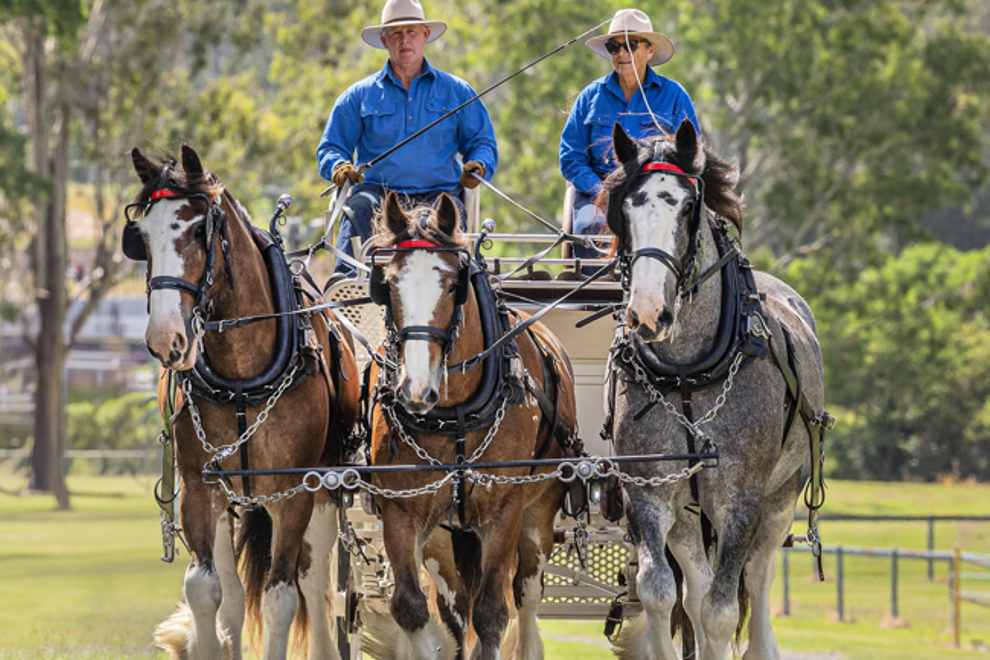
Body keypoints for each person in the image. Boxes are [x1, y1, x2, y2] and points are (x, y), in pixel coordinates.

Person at [317, 0, 498, 273]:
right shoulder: (358, 95)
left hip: (440, 194)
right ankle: (350, 296)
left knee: (451, 217)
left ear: (425, 36)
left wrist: (478, 165)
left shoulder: (458, 92)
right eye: (396, 34)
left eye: (411, 32)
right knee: (356, 210)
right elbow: (331, 147)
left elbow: (482, 142)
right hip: (377, 196)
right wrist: (339, 167)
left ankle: (462, 300)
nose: (405, 41)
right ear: (384, 40)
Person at [559, 8, 699, 266]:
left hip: (659, 192)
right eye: (614, 47)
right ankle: (597, 302)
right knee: (590, 228)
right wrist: (602, 193)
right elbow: (570, 158)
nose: (621, 53)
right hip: (598, 194)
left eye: (630, 45)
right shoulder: (590, 97)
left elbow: (691, 155)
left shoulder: (675, 96)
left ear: (650, 50)